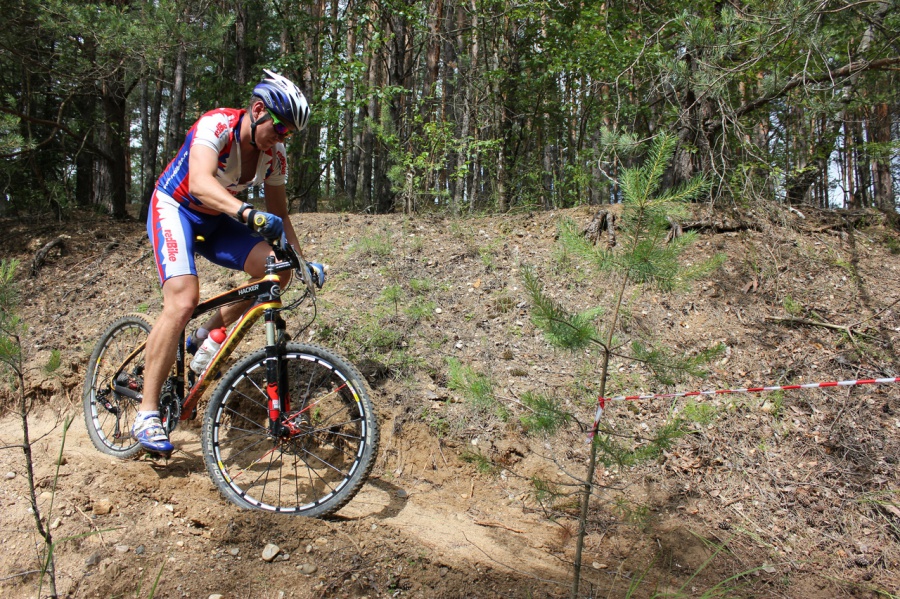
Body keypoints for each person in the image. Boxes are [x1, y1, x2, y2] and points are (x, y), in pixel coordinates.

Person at [137, 69, 318, 456]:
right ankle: (147, 412)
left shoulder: (275, 156)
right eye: (281, 128)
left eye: (290, 134)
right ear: (258, 110)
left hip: (220, 219)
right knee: (183, 300)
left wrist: (301, 261)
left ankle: (211, 332)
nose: (283, 138)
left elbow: (280, 215)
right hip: (176, 207)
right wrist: (249, 215)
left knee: (278, 270)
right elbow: (201, 182)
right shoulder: (216, 124)